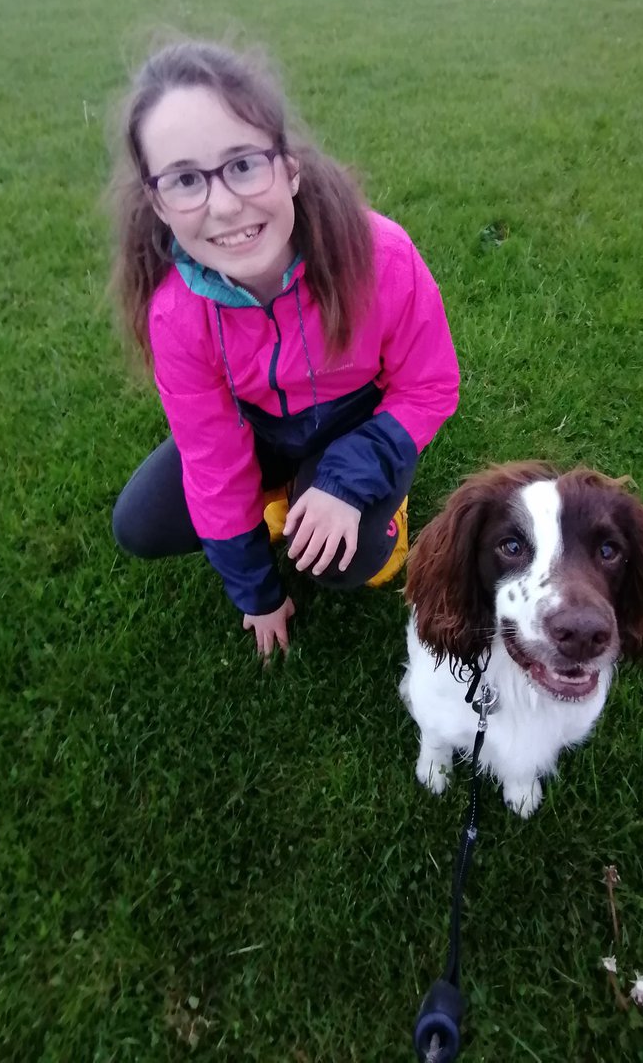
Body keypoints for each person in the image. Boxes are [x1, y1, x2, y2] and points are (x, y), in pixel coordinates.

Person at [109, 40, 459, 659]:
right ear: (158, 202)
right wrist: (256, 591)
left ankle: (371, 502)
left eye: (243, 164)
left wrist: (346, 482)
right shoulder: (177, 312)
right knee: (140, 524)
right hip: (264, 431)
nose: (222, 204)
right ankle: (286, 495)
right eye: (186, 180)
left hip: (361, 420)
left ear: (289, 167)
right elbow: (213, 460)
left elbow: (428, 386)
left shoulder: (380, 255)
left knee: (350, 563)